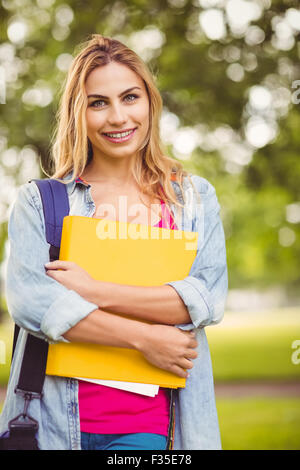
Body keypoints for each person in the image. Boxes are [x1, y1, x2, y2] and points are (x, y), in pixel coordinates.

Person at [0, 34, 228, 450]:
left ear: (150, 103)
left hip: (153, 426)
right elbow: (33, 303)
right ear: (78, 113)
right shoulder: (40, 201)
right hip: (50, 425)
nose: (118, 117)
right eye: (98, 103)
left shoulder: (192, 200)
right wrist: (144, 337)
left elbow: (205, 298)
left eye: (130, 97)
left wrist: (93, 290)